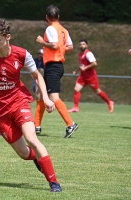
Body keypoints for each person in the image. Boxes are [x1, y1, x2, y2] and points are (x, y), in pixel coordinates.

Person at [0, 18, 62, 192]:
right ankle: (38, 158)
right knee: (23, 153)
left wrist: (46, 97)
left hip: (18, 101)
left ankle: (54, 182)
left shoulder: (21, 54)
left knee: (31, 138)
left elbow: (37, 76)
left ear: (8, 37)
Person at [35, 5, 78, 138]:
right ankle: (36, 125)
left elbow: (54, 45)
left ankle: (70, 124)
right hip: (56, 65)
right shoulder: (63, 30)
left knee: (54, 97)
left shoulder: (50, 28)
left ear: (46, 17)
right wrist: (60, 48)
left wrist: (42, 42)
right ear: (58, 17)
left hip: (53, 65)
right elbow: (70, 47)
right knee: (40, 94)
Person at [68, 39, 114, 113]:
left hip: (90, 76)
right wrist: (76, 70)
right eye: (81, 44)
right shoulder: (80, 54)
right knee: (76, 89)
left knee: (97, 91)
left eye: (83, 44)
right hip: (83, 76)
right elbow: (81, 65)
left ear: (86, 45)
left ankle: (109, 102)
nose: (82, 46)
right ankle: (75, 107)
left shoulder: (89, 54)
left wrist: (85, 68)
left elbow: (94, 63)